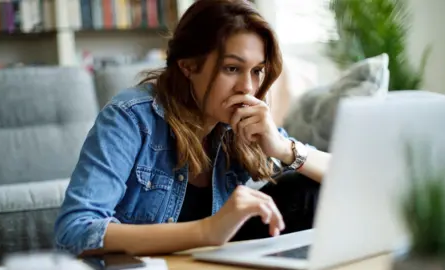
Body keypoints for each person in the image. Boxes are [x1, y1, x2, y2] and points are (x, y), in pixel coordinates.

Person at [54, 0, 331, 257]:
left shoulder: (239, 123)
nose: (247, 87)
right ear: (188, 66)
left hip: (211, 262)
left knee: (308, 189)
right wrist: (208, 231)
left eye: (257, 70)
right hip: (155, 266)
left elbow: (345, 177)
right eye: (232, 68)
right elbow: (75, 230)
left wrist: (283, 148)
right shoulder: (131, 117)